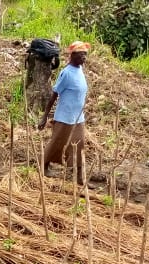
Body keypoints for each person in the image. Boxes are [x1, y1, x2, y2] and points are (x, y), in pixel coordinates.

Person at [38, 41, 90, 182]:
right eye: (81, 54)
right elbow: (54, 95)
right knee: (57, 142)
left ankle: (79, 176)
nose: (84, 57)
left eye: (85, 54)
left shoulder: (79, 70)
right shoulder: (66, 73)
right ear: (72, 55)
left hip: (78, 118)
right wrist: (45, 116)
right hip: (64, 117)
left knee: (79, 144)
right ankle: (43, 166)